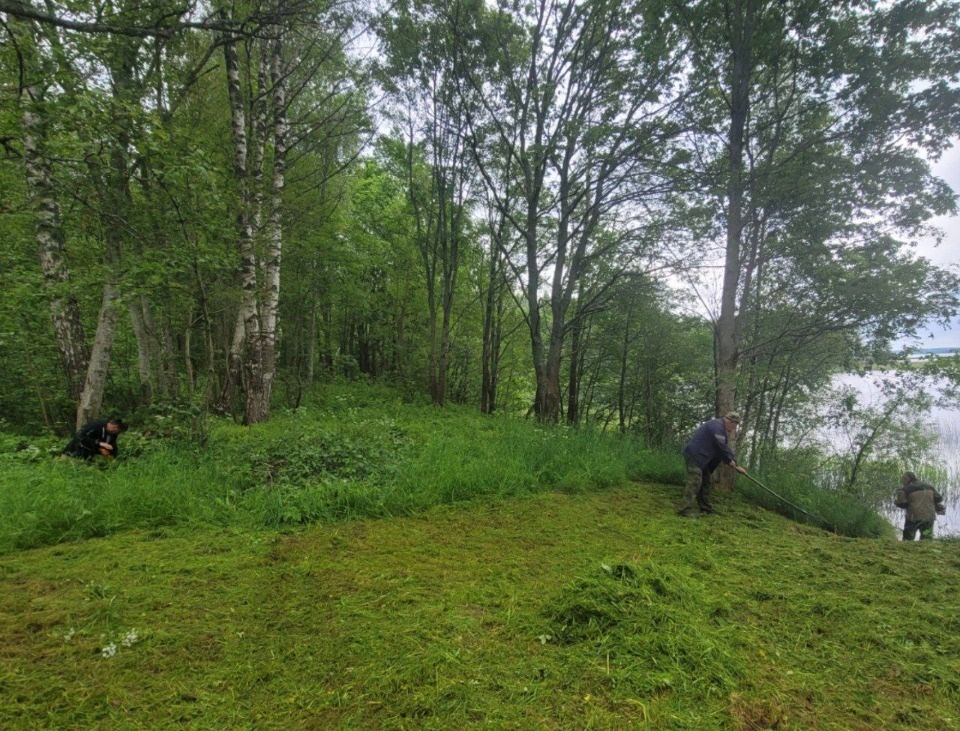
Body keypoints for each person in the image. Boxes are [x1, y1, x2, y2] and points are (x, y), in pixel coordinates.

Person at [678, 412, 747, 517]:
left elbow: (723, 449)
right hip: (695, 455)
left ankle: (705, 507)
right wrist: (732, 462)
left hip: (703, 458)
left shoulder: (721, 429)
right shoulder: (717, 426)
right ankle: (684, 509)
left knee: (706, 480)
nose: (734, 428)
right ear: (731, 422)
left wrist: (735, 464)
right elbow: (722, 447)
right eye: (735, 425)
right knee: (695, 480)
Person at [895, 471, 945, 541]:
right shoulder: (929, 486)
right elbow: (939, 498)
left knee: (908, 539)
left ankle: (907, 550)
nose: (902, 481)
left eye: (903, 479)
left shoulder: (905, 489)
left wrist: (897, 500)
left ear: (907, 479)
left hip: (913, 517)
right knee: (927, 539)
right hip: (929, 516)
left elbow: (902, 504)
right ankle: (926, 550)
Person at [63, 418, 128, 461]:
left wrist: (113, 458)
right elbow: (80, 436)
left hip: (87, 457)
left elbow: (112, 447)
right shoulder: (96, 426)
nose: (118, 434)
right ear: (114, 427)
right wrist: (99, 443)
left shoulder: (113, 435)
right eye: (118, 431)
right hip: (73, 452)